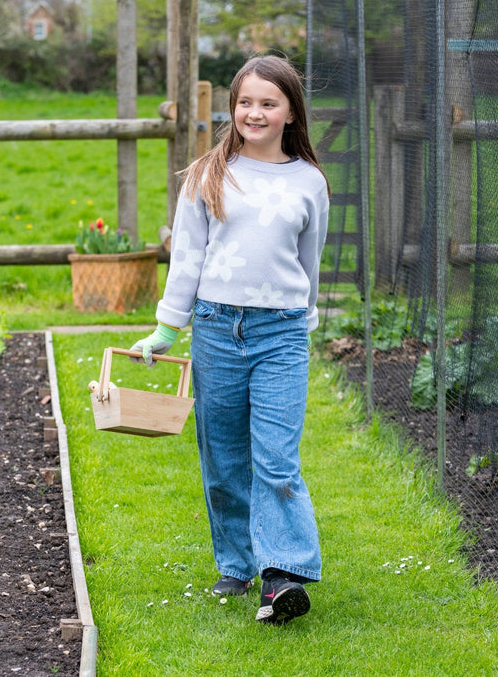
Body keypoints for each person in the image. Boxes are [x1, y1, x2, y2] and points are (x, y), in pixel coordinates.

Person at [131, 55, 330, 625]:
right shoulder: (208, 173)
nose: (255, 112)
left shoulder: (310, 182)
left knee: (275, 459)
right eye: (246, 102)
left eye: (269, 103)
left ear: (291, 111)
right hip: (217, 330)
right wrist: (169, 327)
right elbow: (187, 257)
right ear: (233, 108)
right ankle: (237, 563)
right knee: (222, 457)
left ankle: (284, 576)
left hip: (282, 335)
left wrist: (306, 321)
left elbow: (307, 263)